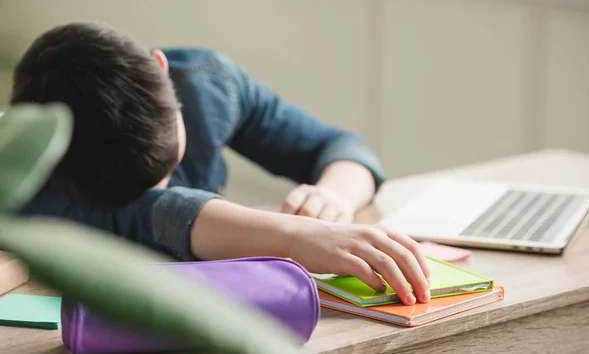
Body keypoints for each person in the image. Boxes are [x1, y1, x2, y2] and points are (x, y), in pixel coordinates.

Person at [12, 21, 431, 305]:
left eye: (167, 166)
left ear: (163, 72)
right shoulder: (20, 169)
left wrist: (332, 199)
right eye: (136, 191)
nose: (161, 189)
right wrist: (293, 235)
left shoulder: (206, 81)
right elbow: (157, 214)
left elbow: (341, 147)